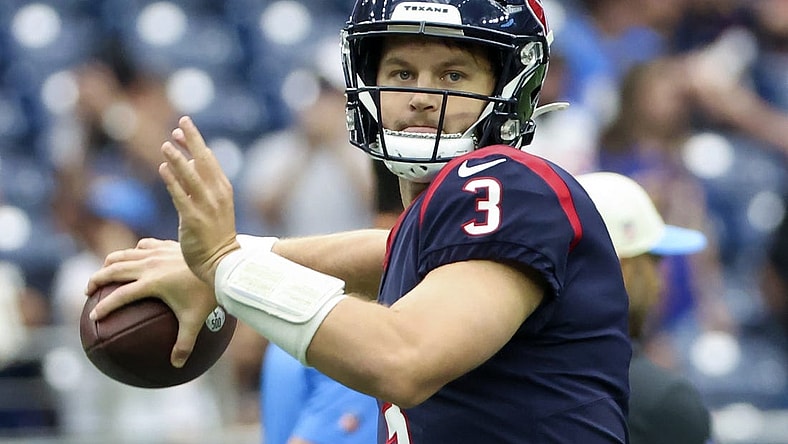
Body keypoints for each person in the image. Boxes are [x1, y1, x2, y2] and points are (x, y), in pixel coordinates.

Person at [87, 1, 632, 442]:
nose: (421, 96)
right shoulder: (439, 217)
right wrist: (227, 261)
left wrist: (227, 267)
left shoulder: (505, 178)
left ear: (509, 88)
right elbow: (386, 252)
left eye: (453, 74)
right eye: (400, 73)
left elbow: (406, 356)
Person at [577, 172, 713, 444]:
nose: (661, 284)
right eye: (652, 261)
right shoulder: (662, 399)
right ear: (619, 268)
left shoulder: (497, 369)